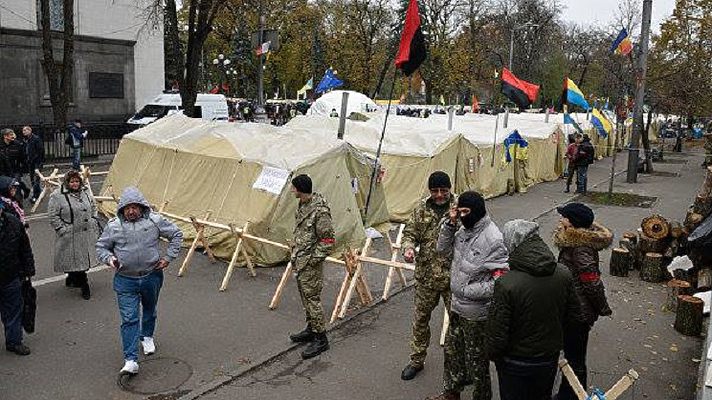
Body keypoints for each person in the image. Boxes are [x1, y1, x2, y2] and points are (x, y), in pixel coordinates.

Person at [486, 219, 579, 400]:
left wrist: (494, 355)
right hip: (548, 358)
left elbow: (498, 331)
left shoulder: (506, 283)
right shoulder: (563, 273)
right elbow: (574, 317)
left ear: (512, 243)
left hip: (514, 361)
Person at [428, 191, 509, 400]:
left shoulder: (493, 238)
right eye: (460, 211)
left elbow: (500, 282)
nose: (462, 215)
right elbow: (441, 249)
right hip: (456, 306)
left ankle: (481, 397)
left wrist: (468, 291)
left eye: (466, 212)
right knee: (452, 353)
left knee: (477, 361)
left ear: (478, 211)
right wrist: (450, 223)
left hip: (476, 313)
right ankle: (451, 392)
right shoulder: (463, 229)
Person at [96, 187, 183, 375]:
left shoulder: (154, 221)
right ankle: (130, 360)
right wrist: (110, 259)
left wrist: (168, 257)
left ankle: (147, 336)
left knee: (150, 309)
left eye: (135, 207)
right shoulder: (113, 226)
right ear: (122, 209)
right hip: (125, 280)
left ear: (142, 207)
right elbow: (101, 247)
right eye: (127, 208)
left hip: (151, 276)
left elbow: (176, 234)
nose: (131, 211)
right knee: (129, 319)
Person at [553, 203, 613, 400]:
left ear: (572, 222)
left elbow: (592, 282)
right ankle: (567, 393)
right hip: (574, 310)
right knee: (573, 357)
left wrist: (602, 307)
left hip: (577, 313)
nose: (561, 220)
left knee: (575, 359)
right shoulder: (574, 244)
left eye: (564, 217)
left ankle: (572, 396)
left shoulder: (580, 248)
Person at [400, 171, 456, 381]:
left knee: (457, 323)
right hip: (427, 276)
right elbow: (409, 233)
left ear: (450, 188)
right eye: (435, 191)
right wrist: (408, 248)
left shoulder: (460, 208)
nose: (440, 195)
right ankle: (416, 360)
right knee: (420, 320)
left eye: (444, 190)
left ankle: (457, 364)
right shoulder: (421, 209)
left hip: (453, 277)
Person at [288, 174, 335, 359]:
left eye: (293, 187)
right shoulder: (303, 205)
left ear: (299, 189)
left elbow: (328, 240)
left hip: (309, 263)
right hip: (300, 261)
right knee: (306, 298)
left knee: (313, 300)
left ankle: (321, 339)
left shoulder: (320, 211)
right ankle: (312, 328)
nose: (292, 190)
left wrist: (312, 260)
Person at [48, 170, 100, 300]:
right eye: (72, 181)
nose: (75, 184)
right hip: (70, 234)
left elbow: (93, 206)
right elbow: (53, 215)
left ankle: (71, 278)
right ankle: (84, 285)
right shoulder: (57, 195)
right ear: (67, 182)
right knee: (78, 262)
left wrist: (93, 219)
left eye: (77, 181)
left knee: (80, 260)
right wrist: (62, 229)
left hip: (86, 232)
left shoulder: (86, 191)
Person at [0, 201, 36, 356]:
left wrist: (29, 270)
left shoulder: (13, 222)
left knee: (14, 311)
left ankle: (14, 342)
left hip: (11, 276)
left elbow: (25, 248)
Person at [0, 128, 29, 201]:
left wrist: (23, 169)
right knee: (5, 190)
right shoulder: (1, 146)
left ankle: (19, 205)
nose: (13, 136)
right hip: (3, 172)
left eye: (13, 134)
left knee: (16, 189)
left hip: (15, 170)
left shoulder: (17, 145)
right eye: (11, 135)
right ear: (5, 136)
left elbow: (23, 158)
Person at [21, 126, 44, 203]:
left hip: (37, 162)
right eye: (23, 130)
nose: (23, 132)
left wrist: (37, 162)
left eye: (25, 130)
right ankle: (39, 193)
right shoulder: (25, 140)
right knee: (32, 179)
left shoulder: (36, 139)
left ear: (30, 130)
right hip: (30, 162)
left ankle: (35, 195)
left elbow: (40, 151)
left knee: (35, 178)